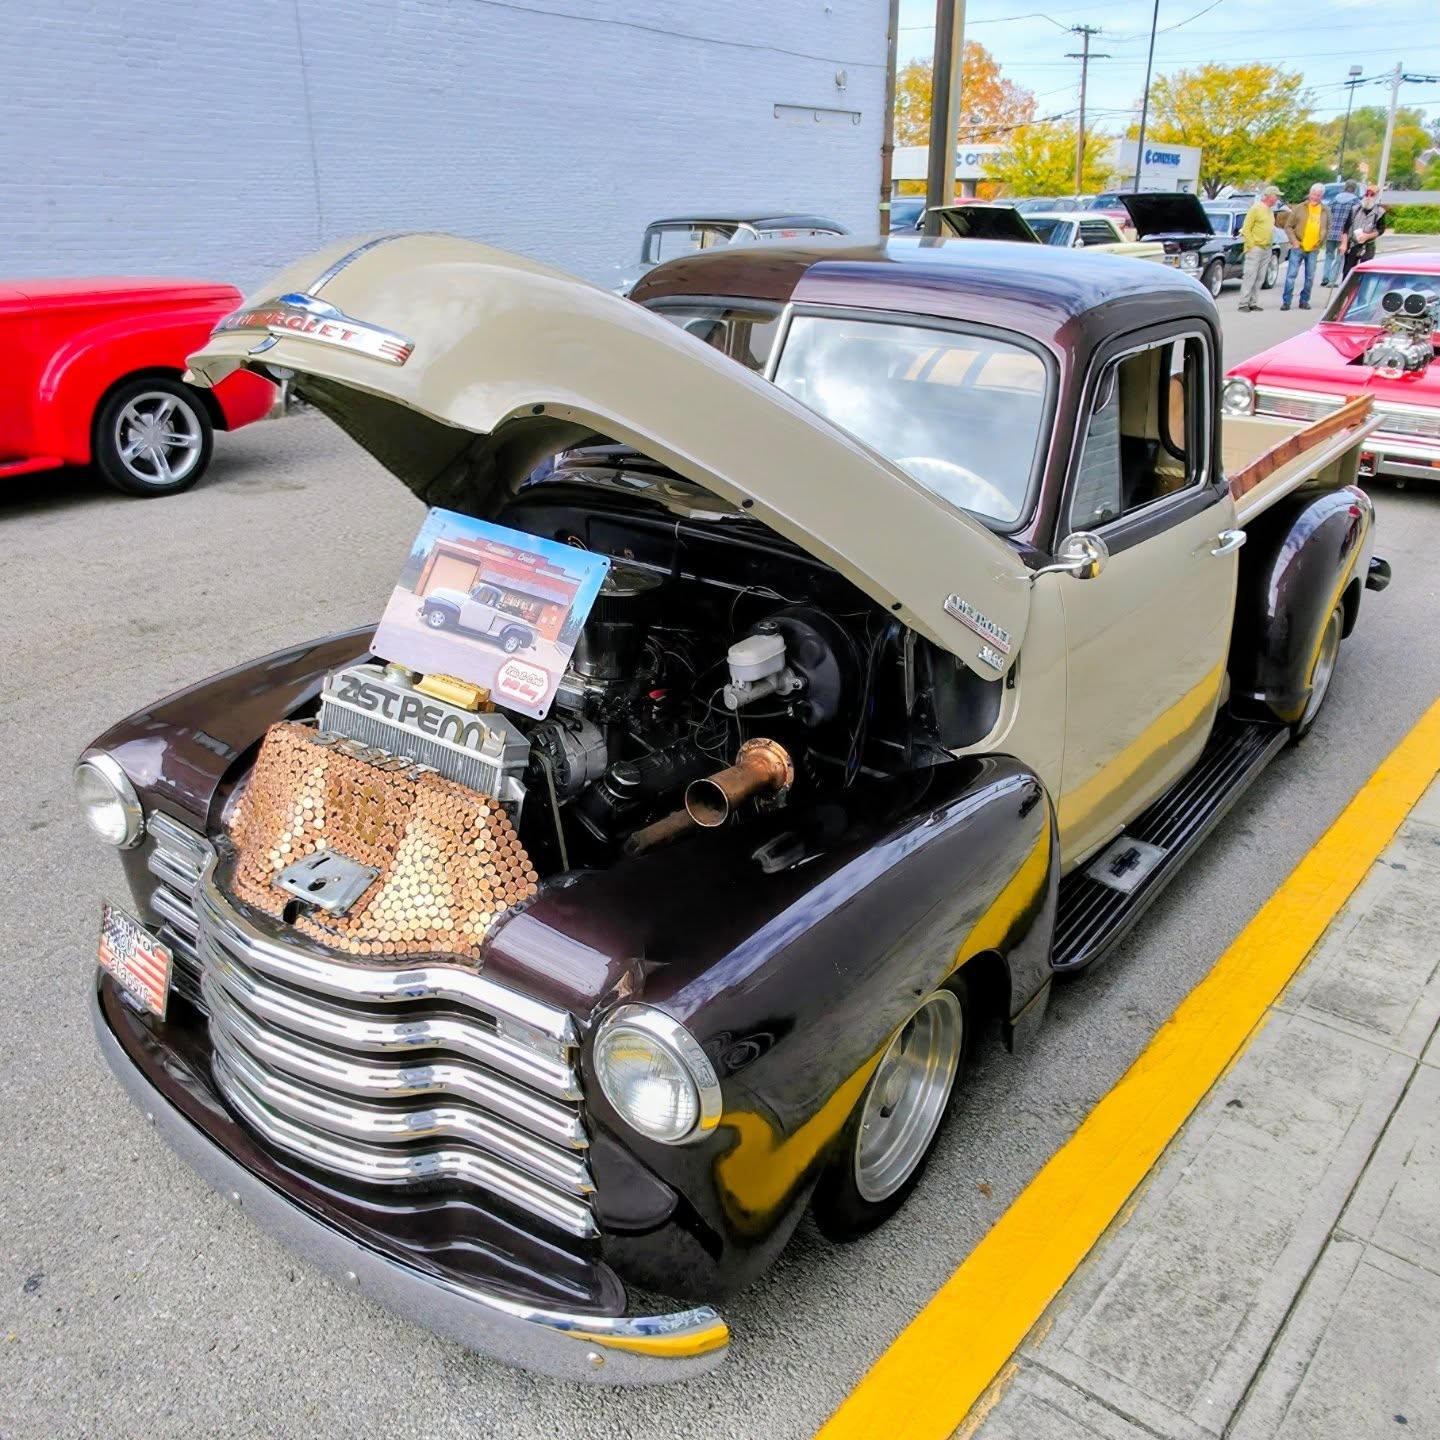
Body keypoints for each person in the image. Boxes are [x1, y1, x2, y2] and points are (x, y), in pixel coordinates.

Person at [1281, 183, 1330, 311]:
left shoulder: (1325, 210)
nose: (1315, 197)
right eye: (1314, 194)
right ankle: (1286, 301)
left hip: (1313, 248)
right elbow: (1288, 226)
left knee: (1309, 277)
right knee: (1291, 275)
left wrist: (1321, 242)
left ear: (1321, 196)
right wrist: (1294, 241)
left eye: (1318, 195)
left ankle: (1304, 301)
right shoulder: (1299, 208)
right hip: (1298, 246)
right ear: (1310, 193)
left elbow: (1328, 228)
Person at [1238, 186, 1282, 311]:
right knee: (1250, 275)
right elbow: (1246, 228)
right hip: (1255, 247)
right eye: (1276, 196)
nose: (1277, 199)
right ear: (1269, 196)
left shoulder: (1270, 211)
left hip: (1267, 248)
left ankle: (1253, 302)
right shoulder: (1255, 209)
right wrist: (1251, 244)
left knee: (1260, 277)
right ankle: (1243, 303)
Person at [1343, 184, 1387, 279]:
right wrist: (1343, 244)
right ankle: (1345, 293)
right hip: (1353, 244)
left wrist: (1367, 236)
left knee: (1364, 274)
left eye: (1372, 195)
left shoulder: (1380, 212)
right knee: (1347, 273)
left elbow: (1381, 229)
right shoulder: (1355, 209)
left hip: (1368, 246)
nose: (1368, 197)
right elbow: (1346, 228)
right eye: (1367, 194)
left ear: (1376, 196)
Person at [1323, 180, 1359, 287]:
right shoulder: (1355, 202)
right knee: (1339, 257)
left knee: (1329, 255)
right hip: (1343, 234)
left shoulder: (1334, 200)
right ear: (1354, 189)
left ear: (1345, 187)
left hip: (1330, 232)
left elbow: (1326, 214)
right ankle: (1332, 280)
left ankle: (1325, 276)